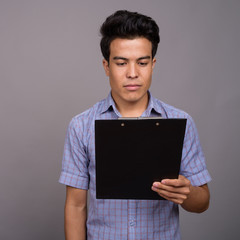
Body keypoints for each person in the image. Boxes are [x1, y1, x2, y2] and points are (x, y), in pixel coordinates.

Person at [59, 10, 211, 240]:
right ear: (106, 66)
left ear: (153, 64)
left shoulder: (181, 122)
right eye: (121, 63)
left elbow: (202, 202)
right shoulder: (81, 126)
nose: (132, 73)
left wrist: (186, 192)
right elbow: (75, 206)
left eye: (142, 62)